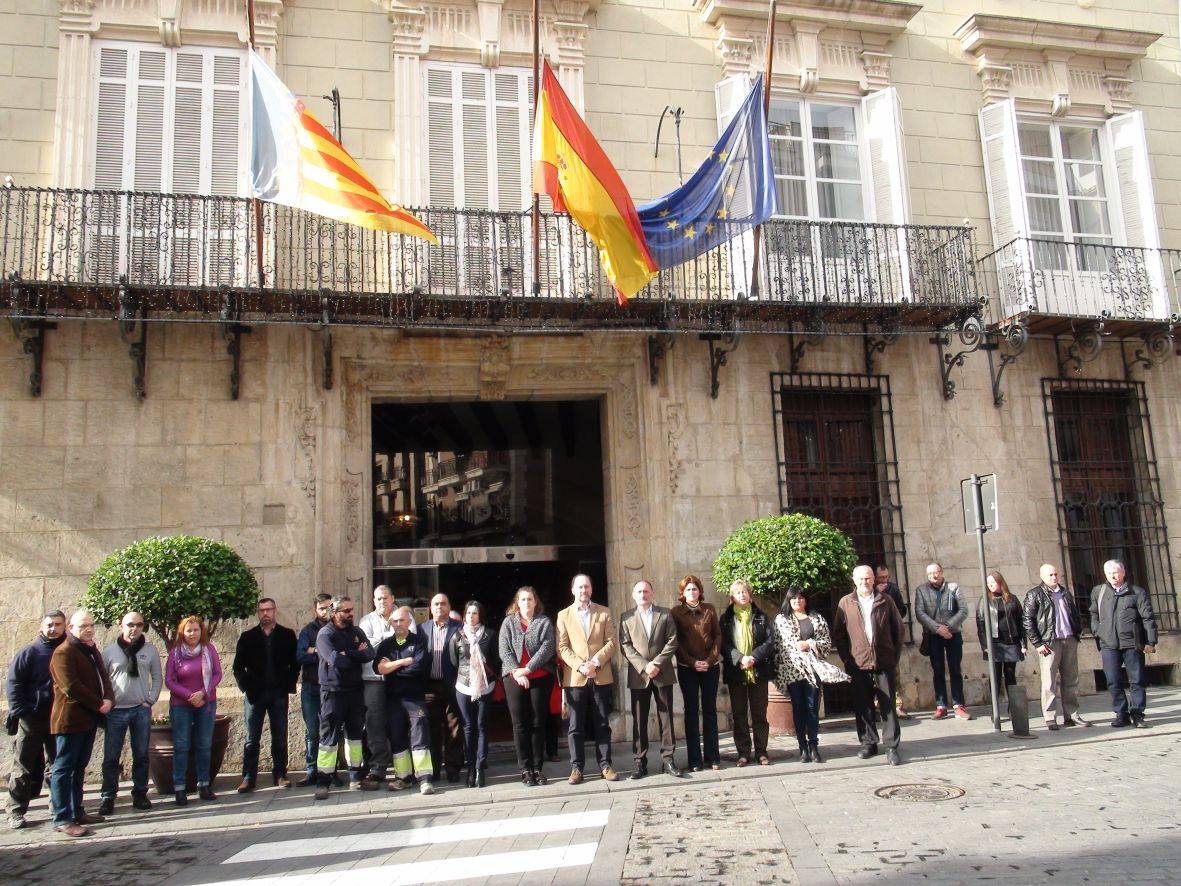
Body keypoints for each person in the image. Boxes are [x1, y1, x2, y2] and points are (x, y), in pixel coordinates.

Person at [49, 609, 115, 837]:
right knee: (63, 768)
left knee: (79, 767)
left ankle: (77, 811)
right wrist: (99, 704)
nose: (88, 629)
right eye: (83, 626)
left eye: (91, 625)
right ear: (70, 629)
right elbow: (71, 686)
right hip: (70, 720)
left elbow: (103, 677)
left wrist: (109, 699)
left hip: (88, 719)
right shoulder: (63, 652)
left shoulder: (90, 649)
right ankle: (62, 817)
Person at [833, 565, 905, 765]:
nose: (864, 582)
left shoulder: (886, 600)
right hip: (858, 663)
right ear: (854, 580)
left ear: (873, 579)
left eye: (867, 578)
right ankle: (868, 743)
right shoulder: (845, 602)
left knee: (888, 705)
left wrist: (893, 656)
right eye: (860, 579)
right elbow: (839, 633)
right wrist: (847, 659)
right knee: (863, 705)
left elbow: (898, 630)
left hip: (884, 660)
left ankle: (891, 746)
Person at [772, 588, 849, 764]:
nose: (797, 601)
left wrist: (810, 644)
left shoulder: (817, 618)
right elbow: (778, 646)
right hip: (792, 670)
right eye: (793, 598)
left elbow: (826, 643)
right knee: (798, 708)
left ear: (806, 600)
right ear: (788, 601)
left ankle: (813, 746)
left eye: (801, 598)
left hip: (813, 669)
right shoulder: (781, 620)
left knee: (812, 708)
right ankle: (802, 747)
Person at [6, 610, 66, 830]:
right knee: (22, 766)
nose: (53, 629)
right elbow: (13, 683)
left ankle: (57, 807)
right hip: (31, 718)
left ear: (65, 627)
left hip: (58, 718)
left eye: (57, 625)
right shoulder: (29, 652)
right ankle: (15, 810)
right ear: (42, 626)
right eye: (49, 624)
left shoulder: (68, 651)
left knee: (56, 765)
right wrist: (21, 711)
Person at [556, 573, 619, 784]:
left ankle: (606, 765)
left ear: (591, 589)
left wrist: (595, 663)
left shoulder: (604, 612)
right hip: (575, 677)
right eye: (580, 587)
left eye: (587, 587)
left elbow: (611, 642)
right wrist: (581, 666)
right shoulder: (563, 615)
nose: (583, 590)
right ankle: (576, 768)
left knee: (602, 723)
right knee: (575, 726)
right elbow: (562, 647)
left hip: (600, 675)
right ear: (573, 590)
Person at [99, 611, 162, 815]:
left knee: (141, 755)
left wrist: (150, 700)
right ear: (121, 626)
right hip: (115, 712)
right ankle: (108, 796)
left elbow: (157, 677)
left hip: (140, 710)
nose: (134, 628)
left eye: (139, 625)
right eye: (130, 624)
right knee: (111, 756)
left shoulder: (150, 650)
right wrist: (106, 702)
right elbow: (102, 680)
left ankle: (140, 794)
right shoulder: (109, 652)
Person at [233, 597, 299, 793]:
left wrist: (288, 683)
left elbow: (295, 663)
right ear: (258, 613)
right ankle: (248, 776)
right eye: (262, 610)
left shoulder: (287, 635)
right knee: (251, 737)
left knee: (279, 735)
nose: (265, 614)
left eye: (268, 610)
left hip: (278, 693)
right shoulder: (248, 637)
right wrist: (246, 686)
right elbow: (238, 667)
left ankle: (280, 773)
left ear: (275, 610)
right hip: (255, 694)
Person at [313, 596, 377, 798]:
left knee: (355, 735)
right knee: (329, 737)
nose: (351, 614)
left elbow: (370, 654)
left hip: (355, 690)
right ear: (335, 612)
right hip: (333, 692)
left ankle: (356, 777)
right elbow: (335, 660)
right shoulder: (325, 634)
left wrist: (346, 653)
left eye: (352, 609)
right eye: (346, 611)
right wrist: (354, 654)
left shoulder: (357, 632)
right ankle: (323, 781)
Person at [619, 579, 683, 779]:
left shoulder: (665, 614)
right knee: (639, 719)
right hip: (639, 675)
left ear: (652, 593)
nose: (643, 594)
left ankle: (668, 759)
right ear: (633, 595)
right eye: (639, 591)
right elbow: (625, 645)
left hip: (662, 672)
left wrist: (656, 663)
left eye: (646, 591)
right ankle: (640, 762)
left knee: (666, 718)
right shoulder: (626, 617)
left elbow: (673, 640)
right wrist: (644, 666)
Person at [499, 586, 557, 786]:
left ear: (535, 602)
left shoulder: (544, 622)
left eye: (529, 599)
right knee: (520, 724)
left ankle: (537, 767)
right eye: (522, 599)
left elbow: (548, 648)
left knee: (538, 722)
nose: (526, 603)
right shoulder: (508, 623)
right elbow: (504, 650)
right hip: (514, 677)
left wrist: (528, 669)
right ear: (517, 602)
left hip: (540, 677)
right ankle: (525, 768)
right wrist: (517, 671)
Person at [374, 607, 435, 795]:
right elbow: (378, 669)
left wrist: (391, 668)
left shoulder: (419, 642)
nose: (398, 624)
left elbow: (418, 668)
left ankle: (424, 779)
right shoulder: (386, 645)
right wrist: (402, 662)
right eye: (395, 621)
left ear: (409, 622)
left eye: (402, 620)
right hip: (393, 699)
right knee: (397, 736)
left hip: (415, 698)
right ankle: (403, 778)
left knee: (420, 736)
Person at [1090, 559, 1157, 728]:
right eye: (1109, 573)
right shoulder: (1099, 592)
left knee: (1137, 680)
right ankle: (1121, 714)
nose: (1113, 576)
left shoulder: (1137, 592)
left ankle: (1137, 714)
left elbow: (1147, 617)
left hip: (1132, 643)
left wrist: (1150, 641)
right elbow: (1093, 614)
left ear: (1123, 573)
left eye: (1116, 572)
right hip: (1108, 644)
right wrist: (1098, 631)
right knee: (1113, 680)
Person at [1023, 563, 1090, 731]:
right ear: (1042, 576)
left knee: (1071, 680)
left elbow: (1074, 614)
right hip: (1049, 642)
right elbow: (1028, 620)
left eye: (1055, 574)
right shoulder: (1035, 594)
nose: (1054, 577)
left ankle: (1072, 715)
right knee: (1049, 682)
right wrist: (1037, 643)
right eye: (1050, 575)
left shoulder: (1065, 593)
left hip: (1069, 639)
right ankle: (1050, 717)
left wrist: (1077, 633)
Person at [165, 615, 223, 805]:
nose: (192, 634)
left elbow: (217, 674)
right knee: (181, 746)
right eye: (188, 630)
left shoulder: (209, 650)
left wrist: (202, 693)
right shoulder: (175, 653)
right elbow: (169, 680)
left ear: (201, 631)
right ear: (182, 632)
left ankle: (204, 784)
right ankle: (180, 788)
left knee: (204, 745)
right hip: (181, 705)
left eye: (196, 630)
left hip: (206, 703)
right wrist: (189, 695)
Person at [719, 579, 775, 767]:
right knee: (739, 714)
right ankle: (743, 753)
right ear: (732, 597)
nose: (742, 595)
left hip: (758, 671)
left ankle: (761, 752)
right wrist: (739, 658)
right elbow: (722, 644)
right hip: (737, 672)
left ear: (750, 595)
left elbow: (770, 642)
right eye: (738, 592)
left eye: (744, 592)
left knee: (760, 714)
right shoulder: (725, 619)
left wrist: (753, 657)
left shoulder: (761, 617)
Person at [670, 574, 721, 772]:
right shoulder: (676, 612)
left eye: (695, 588)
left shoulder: (709, 609)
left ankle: (712, 756)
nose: (692, 592)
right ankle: (694, 760)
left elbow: (717, 636)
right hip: (687, 668)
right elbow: (676, 641)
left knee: (710, 711)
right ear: (682, 593)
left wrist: (709, 660)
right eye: (688, 589)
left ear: (700, 591)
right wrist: (692, 663)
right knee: (691, 712)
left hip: (710, 667)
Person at [914, 563, 971, 720]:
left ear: (941, 572)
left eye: (936, 572)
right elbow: (920, 613)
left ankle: (959, 705)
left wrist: (948, 626)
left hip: (953, 634)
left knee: (955, 669)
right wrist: (937, 628)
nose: (933, 576)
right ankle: (941, 706)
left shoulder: (953, 587)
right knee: (937, 670)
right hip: (934, 635)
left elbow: (963, 610)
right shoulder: (921, 590)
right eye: (930, 573)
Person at [450, 601, 498, 788]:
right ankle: (470, 768)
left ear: (480, 616)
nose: (471, 616)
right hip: (464, 686)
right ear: (464, 615)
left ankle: (480, 767)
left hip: (485, 686)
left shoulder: (490, 635)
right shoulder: (457, 636)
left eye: (475, 613)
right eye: (468, 613)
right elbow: (454, 662)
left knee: (482, 725)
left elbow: (495, 660)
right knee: (468, 727)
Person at [422, 593, 464, 783]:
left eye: (443, 603)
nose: (439, 606)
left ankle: (453, 768)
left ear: (449, 607)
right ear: (430, 609)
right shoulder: (422, 629)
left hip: (453, 685)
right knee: (432, 729)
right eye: (436, 604)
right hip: (430, 686)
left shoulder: (459, 628)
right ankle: (434, 769)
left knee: (454, 727)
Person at [358, 585, 397, 784]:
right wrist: (392, 640)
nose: (382, 601)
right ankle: (378, 766)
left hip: (398, 678)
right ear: (374, 601)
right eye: (378, 598)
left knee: (400, 721)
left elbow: (409, 642)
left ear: (392, 599)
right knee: (374, 724)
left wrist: (378, 641)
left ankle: (404, 768)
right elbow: (366, 649)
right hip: (372, 679)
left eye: (385, 598)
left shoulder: (403, 616)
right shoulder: (366, 621)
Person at [295, 593, 333, 787]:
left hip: (332, 686)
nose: (325, 611)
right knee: (312, 731)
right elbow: (301, 656)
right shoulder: (307, 631)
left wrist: (315, 650)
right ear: (315, 610)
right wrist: (323, 652)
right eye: (321, 608)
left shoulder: (338, 629)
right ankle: (312, 770)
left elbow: (340, 655)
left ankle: (330, 771)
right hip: (311, 686)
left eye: (328, 607)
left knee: (332, 729)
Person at [974, 571, 1025, 703]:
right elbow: (981, 624)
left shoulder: (1012, 599)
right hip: (994, 643)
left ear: (1000, 582)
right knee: (995, 675)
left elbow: (1021, 621)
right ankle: (995, 708)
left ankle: (1013, 707)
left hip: (1011, 642)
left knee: (1010, 675)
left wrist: (1024, 644)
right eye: (988, 583)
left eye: (993, 582)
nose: (990, 585)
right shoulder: (985, 600)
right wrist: (985, 645)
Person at [875, 565, 911, 720]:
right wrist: (877, 592)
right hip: (873, 639)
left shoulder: (893, 589)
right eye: (881, 577)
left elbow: (902, 610)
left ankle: (897, 706)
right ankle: (877, 707)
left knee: (894, 672)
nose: (884, 580)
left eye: (886, 577)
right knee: (874, 675)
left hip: (889, 638)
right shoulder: (869, 590)